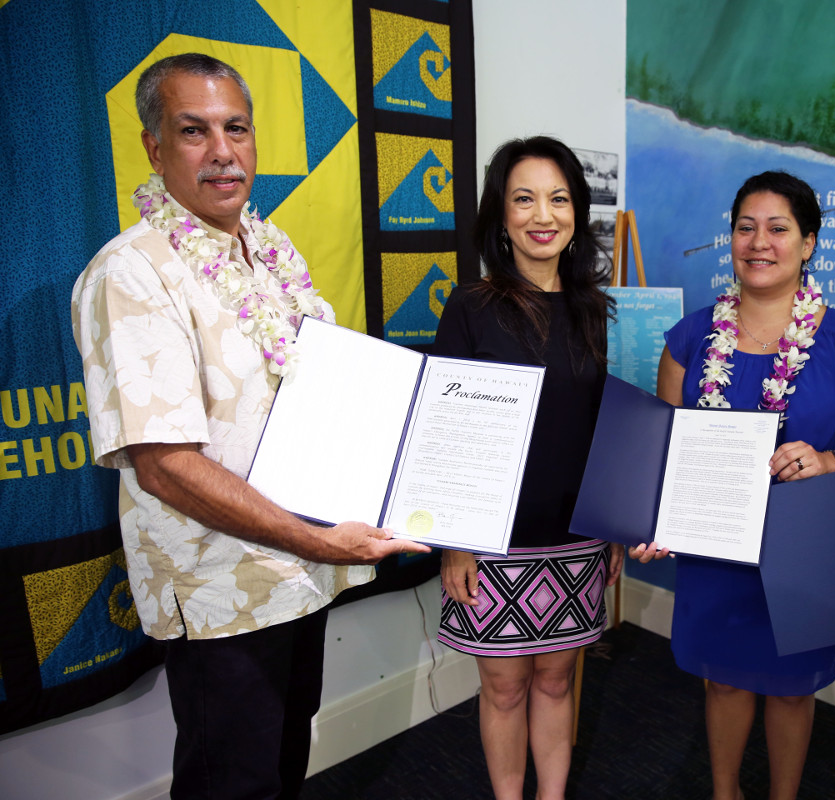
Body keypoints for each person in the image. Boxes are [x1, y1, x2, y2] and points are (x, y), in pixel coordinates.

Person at [70, 53, 429, 799]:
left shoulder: (272, 251)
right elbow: (165, 464)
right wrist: (319, 538)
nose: (223, 151)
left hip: (297, 575)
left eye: (236, 127)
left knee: (282, 761)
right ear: (153, 146)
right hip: (220, 588)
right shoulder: (132, 272)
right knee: (230, 784)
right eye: (193, 131)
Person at [634, 171, 835, 800]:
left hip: (803, 550)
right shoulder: (690, 338)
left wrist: (828, 459)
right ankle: (725, 791)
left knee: (792, 689)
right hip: (715, 546)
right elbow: (667, 450)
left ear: (808, 244)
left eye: (778, 228)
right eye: (745, 227)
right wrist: (651, 521)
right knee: (722, 680)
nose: (759, 242)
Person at [434, 136, 622, 800]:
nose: (542, 214)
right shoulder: (469, 309)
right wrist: (453, 541)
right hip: (492, 541)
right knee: (505, 685)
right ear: (501, 215)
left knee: (557, 679)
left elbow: (605, 428)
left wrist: (614, 526)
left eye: (559, 198)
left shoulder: (595, 311)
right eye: (524, 198)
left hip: (576, 537)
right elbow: (446, 435)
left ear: (576, 213)